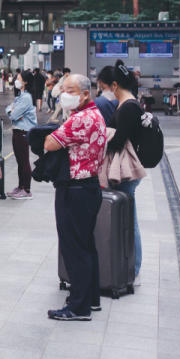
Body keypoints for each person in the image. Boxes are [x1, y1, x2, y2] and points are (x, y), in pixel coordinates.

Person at [43, 73, 106, 320]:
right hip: (89, 188)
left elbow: (49, 143)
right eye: (63, 89)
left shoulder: (80, 119)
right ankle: (90, 299)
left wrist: (55, 132)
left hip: (75, 190)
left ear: (85, 94)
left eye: (70, 90)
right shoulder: (95, 115)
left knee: (74, 249)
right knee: (86, 246)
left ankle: (78, 307)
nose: (64, 94)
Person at [105, 60, 144, 284]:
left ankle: (134, 266)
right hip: (122, 168)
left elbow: (120, 140)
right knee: (127, 217)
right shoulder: (126, 104)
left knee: (130, 219)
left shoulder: (129, 106)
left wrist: (103, 141)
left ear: (116, 85)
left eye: (110, 87)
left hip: (126, 170)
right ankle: (129, 264)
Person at [6, 70, 38, 199]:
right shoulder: (21, 95)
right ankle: (20, 187)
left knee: (24, 161)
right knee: (20, 161)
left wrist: (12, 112)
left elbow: (13, 114)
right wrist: (12, 111)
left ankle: (26, 189)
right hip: (17, 130)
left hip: (23, 132)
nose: (16, 81)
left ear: (25, 82)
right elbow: (9, 109)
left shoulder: (26, 97)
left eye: (18, 78)